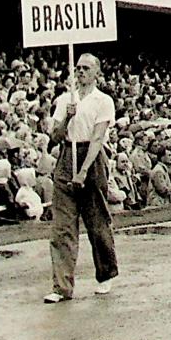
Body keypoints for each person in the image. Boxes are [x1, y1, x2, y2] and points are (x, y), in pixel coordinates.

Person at [45, 53, 118, 303]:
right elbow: (54, 136)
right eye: (77, 68)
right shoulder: (65, 99)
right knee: (62, 226)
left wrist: (84, 171)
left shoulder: (103, 100)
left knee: (97, 220)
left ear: (97, 72)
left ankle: (105, 274)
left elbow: (98, 138)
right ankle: (61, 286)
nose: (81, 72)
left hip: (92, 157)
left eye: (86, 68)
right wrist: (67, 116)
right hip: (67, 154)